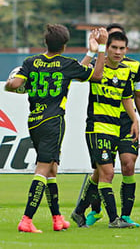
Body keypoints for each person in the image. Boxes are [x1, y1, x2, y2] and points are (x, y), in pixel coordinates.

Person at [5, 24, 107, 233]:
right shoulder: (66, 64)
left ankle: (57, 218)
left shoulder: (31, 62)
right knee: (43, 168)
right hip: (53, 121)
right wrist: (102, 48)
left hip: (34, 120)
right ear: (65, 45)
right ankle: (26, 219)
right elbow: (96, 75)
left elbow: (14, 85)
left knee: (52, 169)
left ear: (46, 42)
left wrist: (90, 53)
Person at [80, 23, 140, 227]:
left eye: (121, 47)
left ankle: (124, 216)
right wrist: (93, 51)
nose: (116, 50)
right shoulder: (97, 64)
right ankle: (93, 209)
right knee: (103, 172)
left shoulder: (132, 68)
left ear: (126, 47)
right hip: (102, 123)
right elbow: (80, 73)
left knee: (128, 164)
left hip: (125, 123)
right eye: (110, 44)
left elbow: (137, 96)